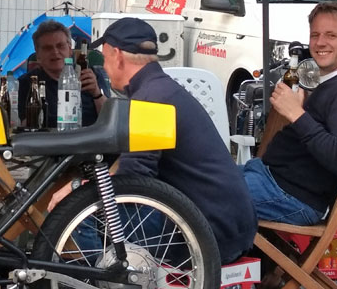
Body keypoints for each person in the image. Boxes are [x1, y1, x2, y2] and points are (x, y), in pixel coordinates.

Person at [55, 17, 255, 265]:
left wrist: (76, 187)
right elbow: (130, 164)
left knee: (77, 208)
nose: (104, 68)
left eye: (105, 59)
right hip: (229, 225)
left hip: (209, 235)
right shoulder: (161, 89)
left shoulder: (149, 99)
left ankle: (107, 284)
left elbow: (134, 177)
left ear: (117, 55)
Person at [243, 1, 337, 226]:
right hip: (268, 178)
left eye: (331, 35)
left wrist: (297, 113)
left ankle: (181, 259)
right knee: (189, 182)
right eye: (315, 35)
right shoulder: (328, 82)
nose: (320, 42)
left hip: (291, 197)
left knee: (194, 197)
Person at [17, 20, 107, 128]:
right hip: (47, 141)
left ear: (69, 49)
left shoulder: (90, 75)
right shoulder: (28, 83)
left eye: (60, 46)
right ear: (38, 54)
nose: (55, 52)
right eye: (48, 48)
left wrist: (97, 93)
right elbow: (24, 124)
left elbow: (110, 119)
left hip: (90, 139)